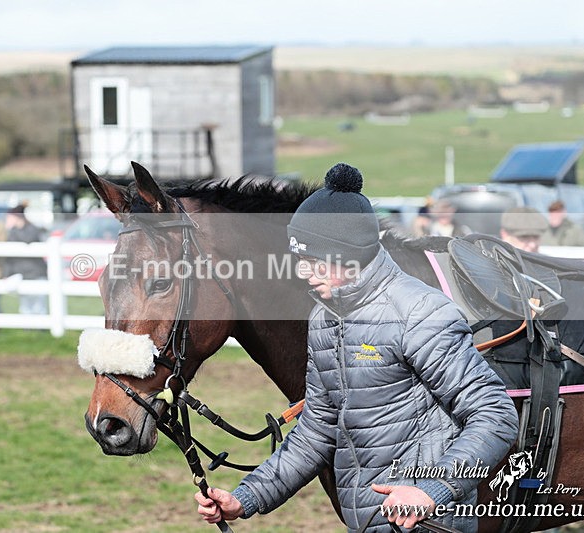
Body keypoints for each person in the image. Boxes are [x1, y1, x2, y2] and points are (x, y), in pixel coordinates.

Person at [195, 163, 519, 532]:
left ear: (351, 256)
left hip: (429, 523)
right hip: (366, 522)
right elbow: (316, 431)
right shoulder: (324, 320)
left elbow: (495, 416)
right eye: (300, 261)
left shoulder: (420, 312)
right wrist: (247, 497)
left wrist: (432, 490)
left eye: (315, 262)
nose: (304, 274)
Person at [5, 204, 47, 315]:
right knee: (25, 305)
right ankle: (28, 329)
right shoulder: (12, 232)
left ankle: (40, 328)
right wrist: (8, 273)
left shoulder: (32, 229)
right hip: (21, 273)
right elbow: (8, 256)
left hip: (36, 272)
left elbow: (28, 240)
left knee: (39, 304)